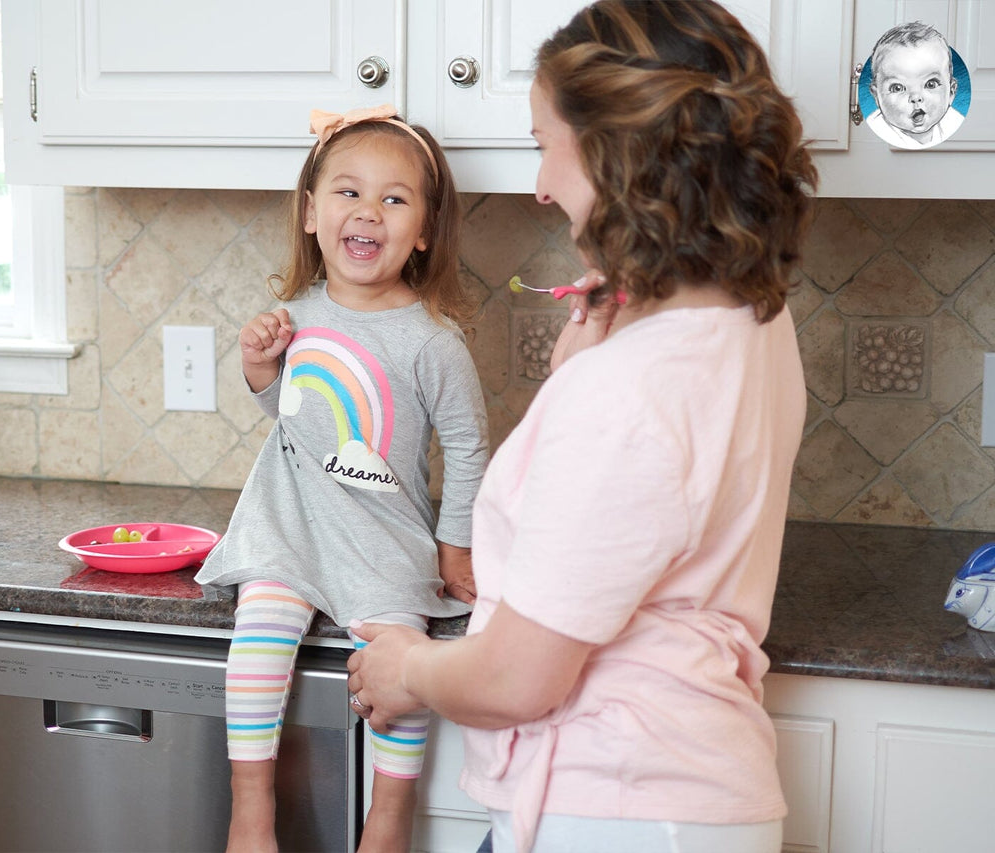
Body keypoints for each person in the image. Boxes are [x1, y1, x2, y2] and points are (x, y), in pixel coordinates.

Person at [346, 2, 817, 852]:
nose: (539, 185)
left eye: (542, 144)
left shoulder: (627, 394)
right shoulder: (758, 320)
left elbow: (517, 678)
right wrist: (590, 358)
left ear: (613, 153)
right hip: (683, 795)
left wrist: (405, 667)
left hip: (614, 809)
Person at [194, 104, 489, 852]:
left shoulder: (433, 342)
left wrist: (454, 546)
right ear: (310, 213)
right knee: (257, 639)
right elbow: (291, 416)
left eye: (394, 198)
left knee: (403, 663)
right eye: (348, 192)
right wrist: (260, 368)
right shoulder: (292, 317)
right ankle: (250, 807)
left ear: (423, 229)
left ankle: (389, 817)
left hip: (383, 539)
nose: (368, 211)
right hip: (289, 526)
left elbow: (470, 449)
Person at [865, 21, 964, 149]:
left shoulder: (955, 122)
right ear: (876, 96)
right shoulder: (876, 132)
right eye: (897, 88)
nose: (915, 97)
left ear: (951, 92)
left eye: (930, 84)